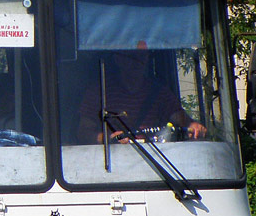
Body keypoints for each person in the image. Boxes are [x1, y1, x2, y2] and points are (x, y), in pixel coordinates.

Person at [78, 49, 207, 144]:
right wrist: (110, 139)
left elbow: (179, 117)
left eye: (142, 57)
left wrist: (193, 125)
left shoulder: (159, 92)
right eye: (132, 57)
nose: (137, 62)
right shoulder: (99, 92)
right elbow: (83, 133)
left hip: (154, 160)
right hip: (111, 161)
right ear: (118, 59)